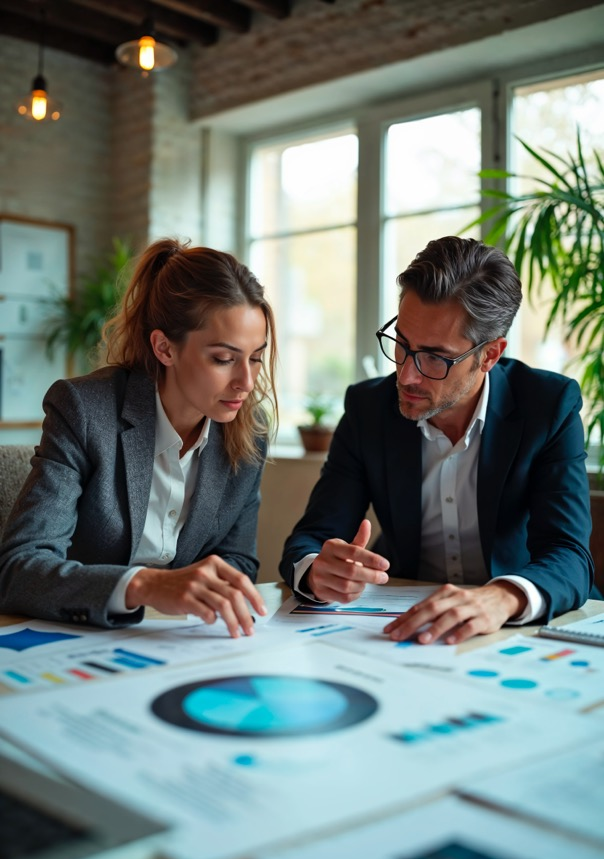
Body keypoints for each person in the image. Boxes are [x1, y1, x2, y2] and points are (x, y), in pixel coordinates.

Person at [280, 236, 600, 645]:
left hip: (519, 633)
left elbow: (569, 555)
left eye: (434, 357)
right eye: (402, 344)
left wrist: (500, 598)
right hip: (402, 630)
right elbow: (310, 539)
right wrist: (316, 570)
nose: (406, 375)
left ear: (490, 355)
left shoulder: (548, 406)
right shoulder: (367, 408)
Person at [0, 238, 278, 637]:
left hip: (181, 643)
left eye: (254, 357)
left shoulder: (250, 432)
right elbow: (20, 569)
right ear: (165, 348)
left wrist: (205, 591)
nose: (246, 382)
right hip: (78, 638)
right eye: (223, 359)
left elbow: (238, 560)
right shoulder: (83, 410)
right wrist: (146, 586)